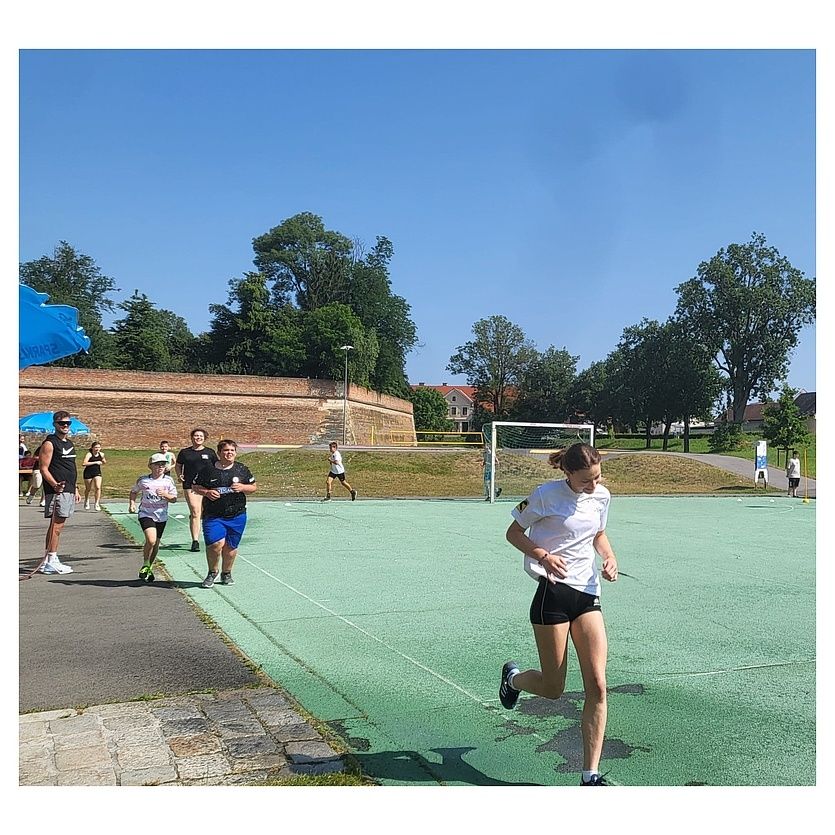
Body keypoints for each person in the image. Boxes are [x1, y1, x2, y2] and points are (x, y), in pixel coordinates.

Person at [498, 442, 619, 786]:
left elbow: (598, 534)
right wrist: (543, 555)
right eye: (585, 481)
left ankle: (589, 776)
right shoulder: (544, 495)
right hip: (552, 595)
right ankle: (513, 680)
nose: (592, 486)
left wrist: (609, 557)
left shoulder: (601, 496)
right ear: (567, 473)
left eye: (596, 478)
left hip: (587, 594)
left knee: (597, 684)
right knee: (553, 688)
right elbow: (513, 532)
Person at [190, 439, 257, 588]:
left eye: (232, 451)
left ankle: (226, 573)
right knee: (215, 544)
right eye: (226, 450)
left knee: (230, 547)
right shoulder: (208, 470)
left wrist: (243, 487)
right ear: (219, 453)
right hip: (214, 515)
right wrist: (207, 492)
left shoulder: (241, 469)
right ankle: (212, 572)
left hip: (237, 514)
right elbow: (195, 486)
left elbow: (253, 487)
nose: (229, 453)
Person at [37, 411, 81, 574]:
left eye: (68, 423)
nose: (65, 426)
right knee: (56, 526)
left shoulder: (69, 444)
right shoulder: (50, 443)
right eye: (62, 423)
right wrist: (55, 485)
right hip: (57, 490)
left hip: (68, 489)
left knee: (58, 525)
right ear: (55, 424)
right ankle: (51, 559)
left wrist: (75, 487)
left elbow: (71, 468)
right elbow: (43, 468)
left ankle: (48, 560)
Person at [129, 453, 178, 583]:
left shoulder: (168, 481)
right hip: (146, 514)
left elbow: (174, 499)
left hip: (161, 515)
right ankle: (145, 562)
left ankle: (149, 566)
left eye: (163, 464)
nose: (160, 467)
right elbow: (134, 491)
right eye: (157, 464)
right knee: (150, 540)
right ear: (150, 466)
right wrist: (132, 504)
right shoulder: (144, 480)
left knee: (156, 543)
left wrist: (166, 495)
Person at [176, 429, 218, 552]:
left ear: (204, 438)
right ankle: (195, 541)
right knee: (195, 511)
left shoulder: (210, 452)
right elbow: (178, 465)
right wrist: (179, 475)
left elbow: (216, 466)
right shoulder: (185, 452)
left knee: (204, 512)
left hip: (207, 486)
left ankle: (208, 535)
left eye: (200, 436)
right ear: (192, 437)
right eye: (196, 436)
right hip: (190, 485)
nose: (198, 438)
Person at [81, 441, 107, 511]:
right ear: (92, 448)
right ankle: (86, 500)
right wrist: (95, 462)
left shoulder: (101, 454)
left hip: (97, 472)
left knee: (98, 487)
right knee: (88, 489)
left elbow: (104, 461)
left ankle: (97, 503)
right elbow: (84, 463)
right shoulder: (89, 454)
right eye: (95, 447)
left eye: (98, 447)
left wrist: (103, 460)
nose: (97, 449)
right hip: (88, 472)